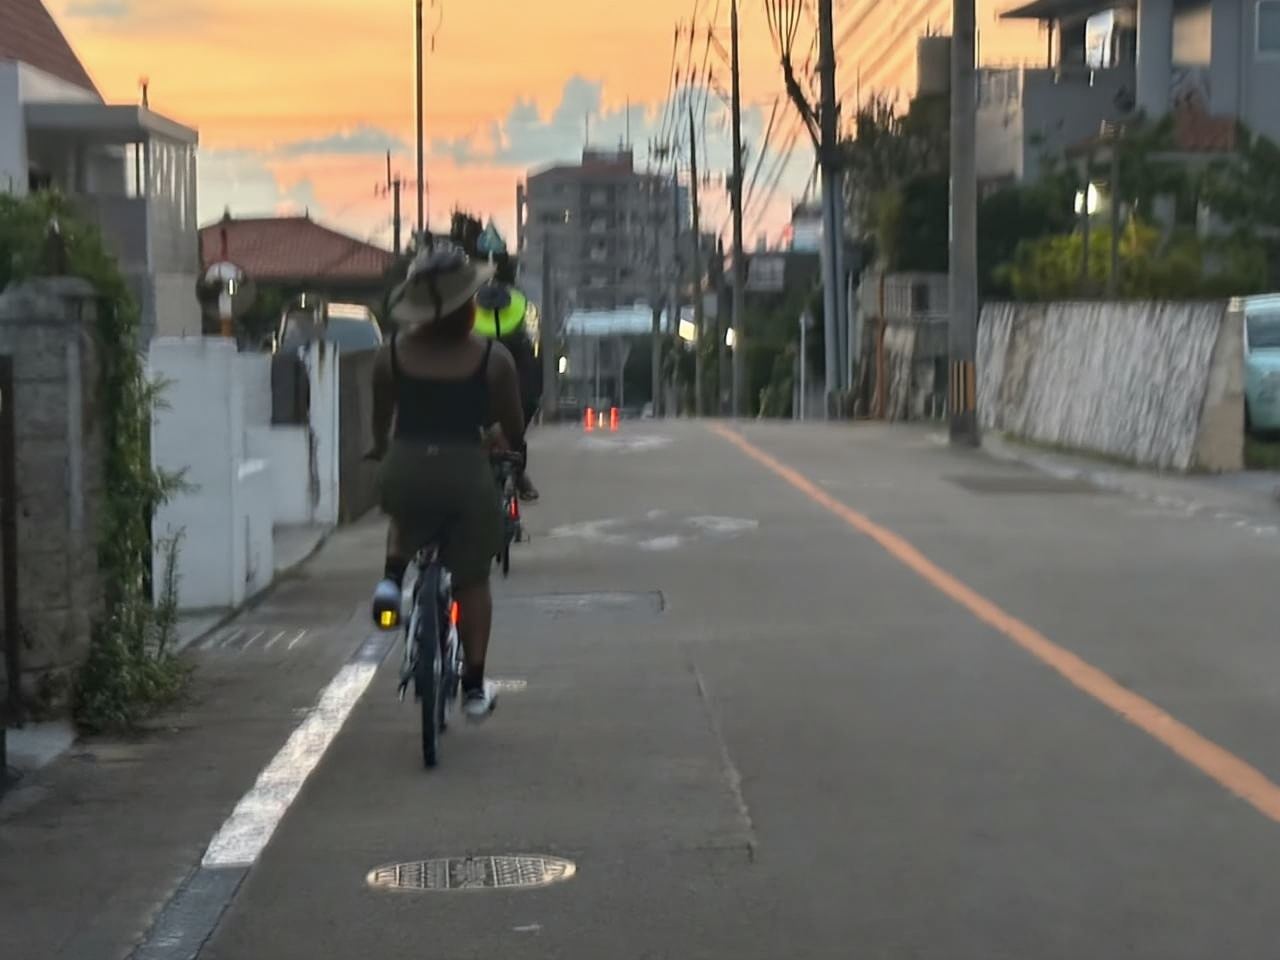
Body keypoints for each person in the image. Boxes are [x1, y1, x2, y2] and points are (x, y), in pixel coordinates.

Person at [368, 246, 525, 720]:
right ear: (468, 303)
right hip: (465, 475)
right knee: (473, 579)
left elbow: (381, 425)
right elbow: (512, 427)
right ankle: (475, 688)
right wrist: (504, 442)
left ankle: (392, 583)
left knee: (405, 509)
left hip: (407, 466)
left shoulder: (389, 354)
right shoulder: (492, 360)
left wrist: (381, 451)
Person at [474, 276, 543, 501]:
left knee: (517, 421)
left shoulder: (522, 322)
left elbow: (531, 381)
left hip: (511, 381)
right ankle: (518, 475)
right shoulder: (524, 315)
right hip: (497, 382)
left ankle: (518, 474)